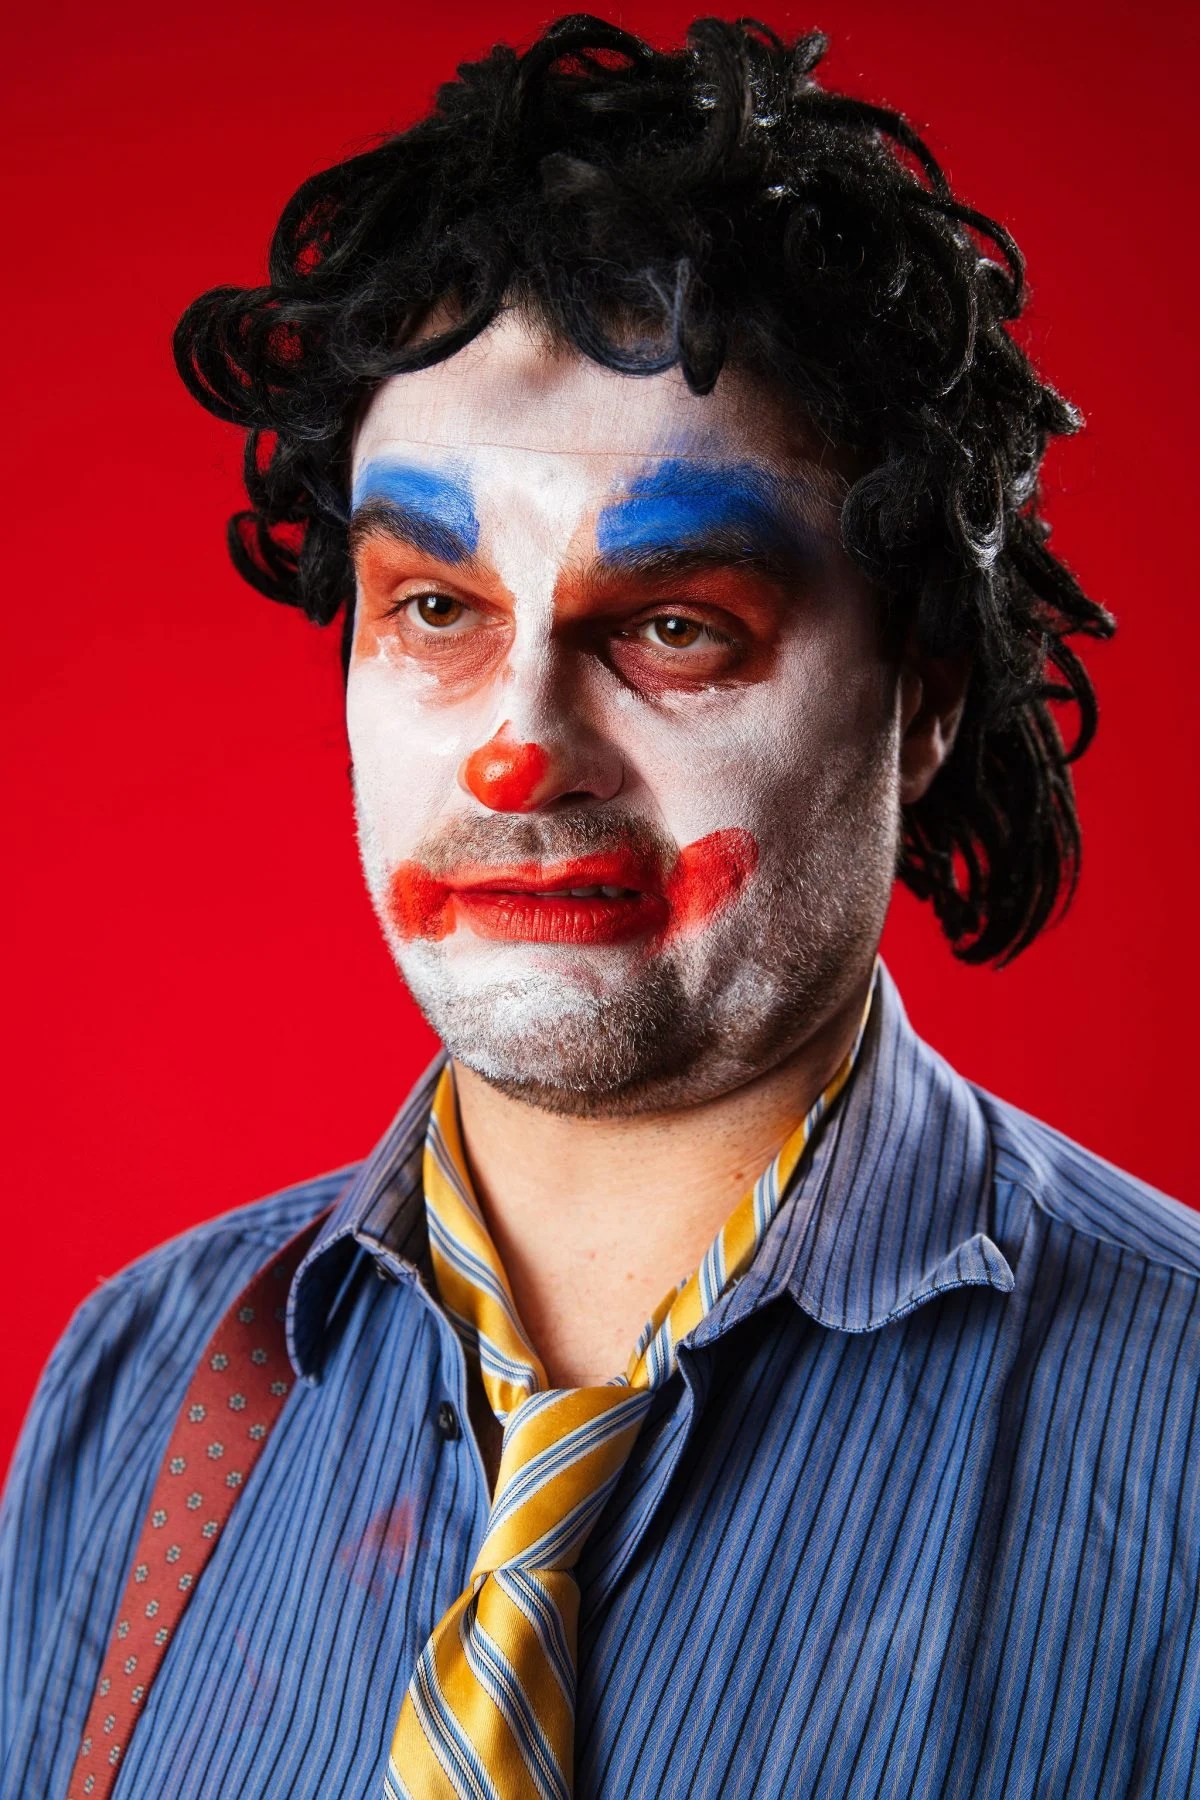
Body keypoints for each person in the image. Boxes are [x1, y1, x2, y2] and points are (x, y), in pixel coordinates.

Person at [2, 14, 1196, 1799]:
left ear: (924, 700)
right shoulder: (139, 1388)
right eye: (435, 609)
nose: (520, 756)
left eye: (674, 625)